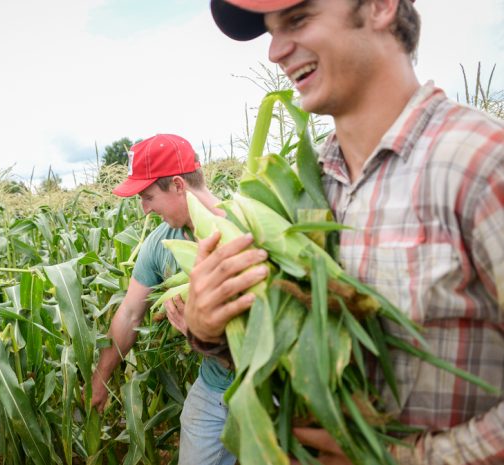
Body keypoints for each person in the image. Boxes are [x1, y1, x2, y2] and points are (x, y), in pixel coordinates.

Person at [184, 0, 504, 463]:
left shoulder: (478, 165)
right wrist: (210, 326)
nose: (274, 50)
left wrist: (400, 458)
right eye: (272, 30)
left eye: (297, 20)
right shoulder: (298, 189)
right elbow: (295, 344)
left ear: (379, 7)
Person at [90, 133, 237, 465]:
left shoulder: (243, 227)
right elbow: (129, 313)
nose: (144, 210)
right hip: (214, 388)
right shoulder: (161, 243)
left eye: (148, 196)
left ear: (178, 185)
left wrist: (198, 330)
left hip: (267, 386)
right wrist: (101, 380)